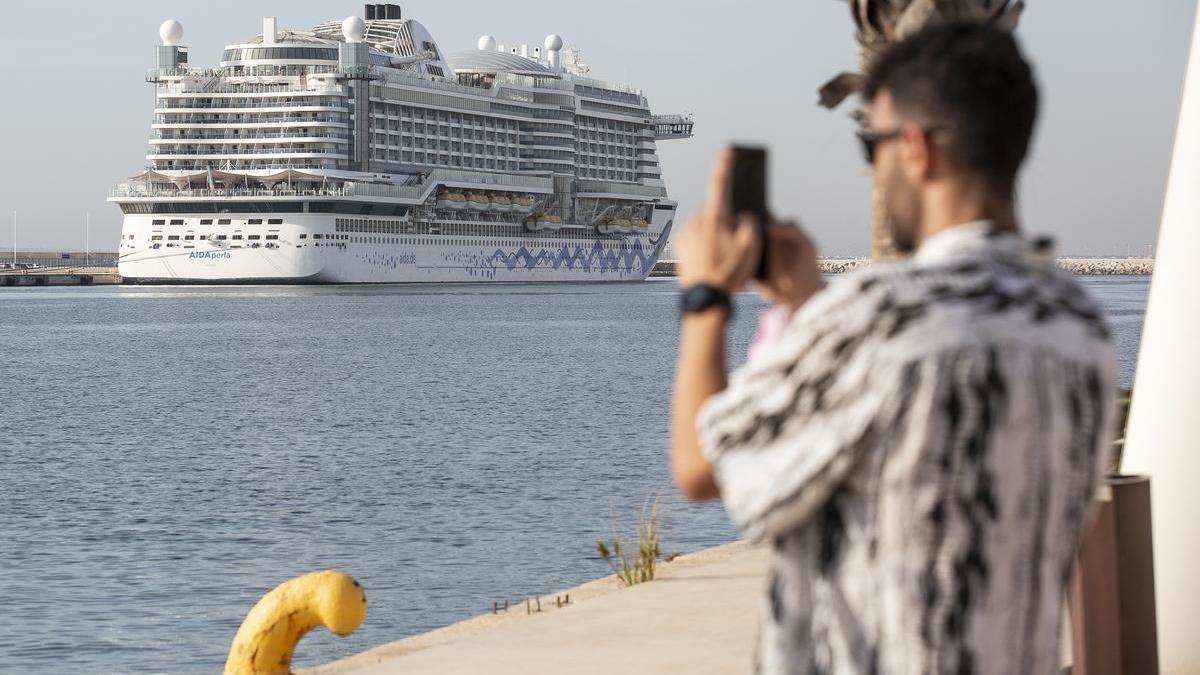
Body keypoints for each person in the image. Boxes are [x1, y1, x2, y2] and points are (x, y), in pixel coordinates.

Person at [669, 22, 1116, 675]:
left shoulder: (881, 320)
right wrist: (808, 307)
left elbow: (701, 463)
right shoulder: (1082, 329)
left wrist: (705, 298)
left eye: (869, 142)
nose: (869, 165)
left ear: (916, 150)